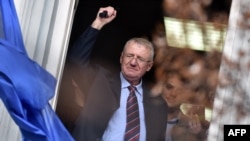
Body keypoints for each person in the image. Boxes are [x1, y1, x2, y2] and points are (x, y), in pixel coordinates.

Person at [65, 6, 168, 141]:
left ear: (149, 66)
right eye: (129, 56)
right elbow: (77, 61)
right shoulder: (100, 81)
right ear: (121, 58)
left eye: (140, 59)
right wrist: (98, 23)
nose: (133, 62)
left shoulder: (158, 104)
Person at [161, 69, 209, 141]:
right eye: (169, 87)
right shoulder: (142, 113)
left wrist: (198, 136)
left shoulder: (189, 126)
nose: (173, 94)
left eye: (180, 91)